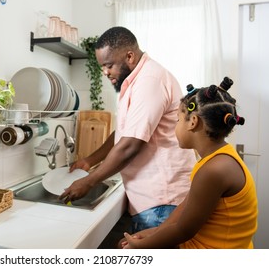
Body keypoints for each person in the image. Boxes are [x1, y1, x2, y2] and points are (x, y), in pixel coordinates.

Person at [59, 26, 196, 234]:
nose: (105, 72)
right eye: (102, 67)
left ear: (129, 56)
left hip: (162, 201)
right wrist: (89, 161)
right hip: (152, 200)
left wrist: (88, 182)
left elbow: (130, 145)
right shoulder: (135, 81)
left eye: (109, 65)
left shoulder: (150, 81)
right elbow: (124, 133)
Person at [121, 77, 258, 249]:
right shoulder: (216, 159)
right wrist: (154, 232)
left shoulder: (213, 170)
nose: (175, 126)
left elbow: (183, 230)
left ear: (193, 122)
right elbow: (185, 207)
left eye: (178, 120)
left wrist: (141, 245)